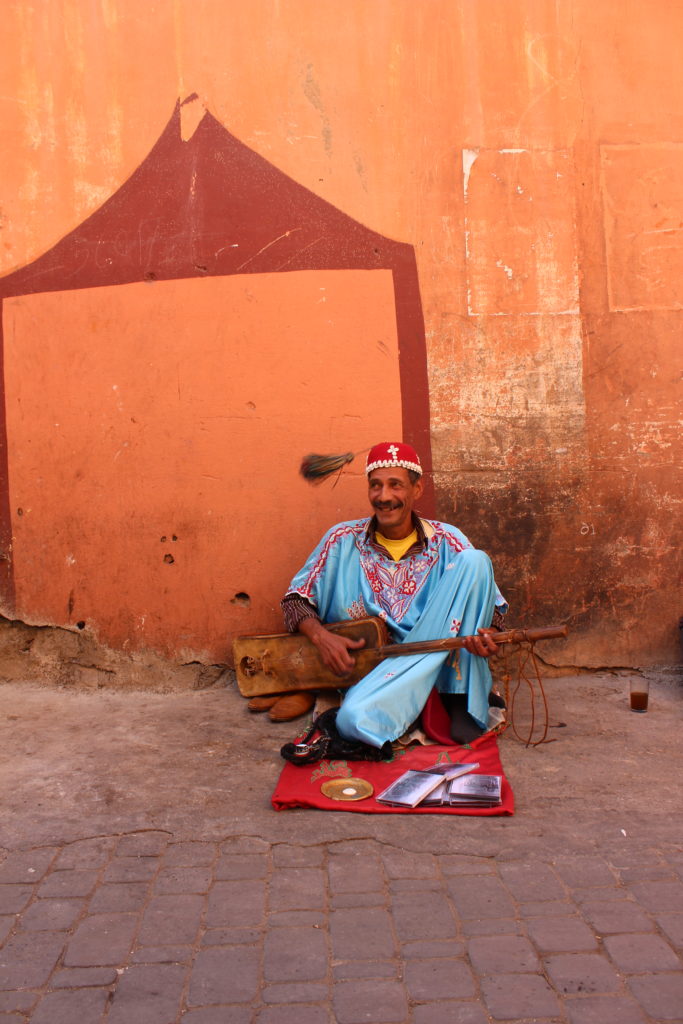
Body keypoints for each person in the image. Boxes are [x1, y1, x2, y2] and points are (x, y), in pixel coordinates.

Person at [277, 441, 508, 747]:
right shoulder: (341, 540)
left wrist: (489, 634)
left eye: (395, 485)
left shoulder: (448, 540)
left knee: (476, 560)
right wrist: (322, 638)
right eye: (376, 486)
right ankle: (410, 706)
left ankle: (458, 699)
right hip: (381, 674)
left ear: (417, 489)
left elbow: (491, 607)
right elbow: (294, 601)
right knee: (350, 720)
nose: (384, 497)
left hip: (442, 664)